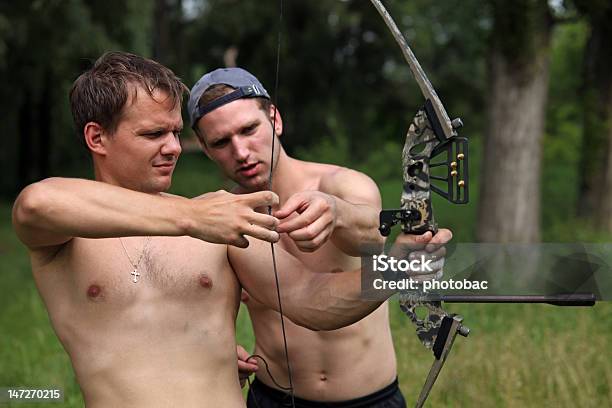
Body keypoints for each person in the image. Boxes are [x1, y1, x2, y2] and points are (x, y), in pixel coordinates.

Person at [12, 51, 444, 408]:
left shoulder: (221, 220)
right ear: (96, 138)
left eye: (176, 133)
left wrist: (396, 267)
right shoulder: (69, 232)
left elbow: (312, 300)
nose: (173, 148)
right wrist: (190, 218)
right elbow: (35, 204)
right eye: (153, 134)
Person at [189, 67, 452, 408]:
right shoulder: (224, 219)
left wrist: (336, 213)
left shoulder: (341, 185)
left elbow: (370, 234)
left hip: (367, 399)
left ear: (275, 120)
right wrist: (220, 348)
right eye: (221, 142)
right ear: (206, 149)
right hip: (272, 397)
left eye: (249, 129)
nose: (240, 152)